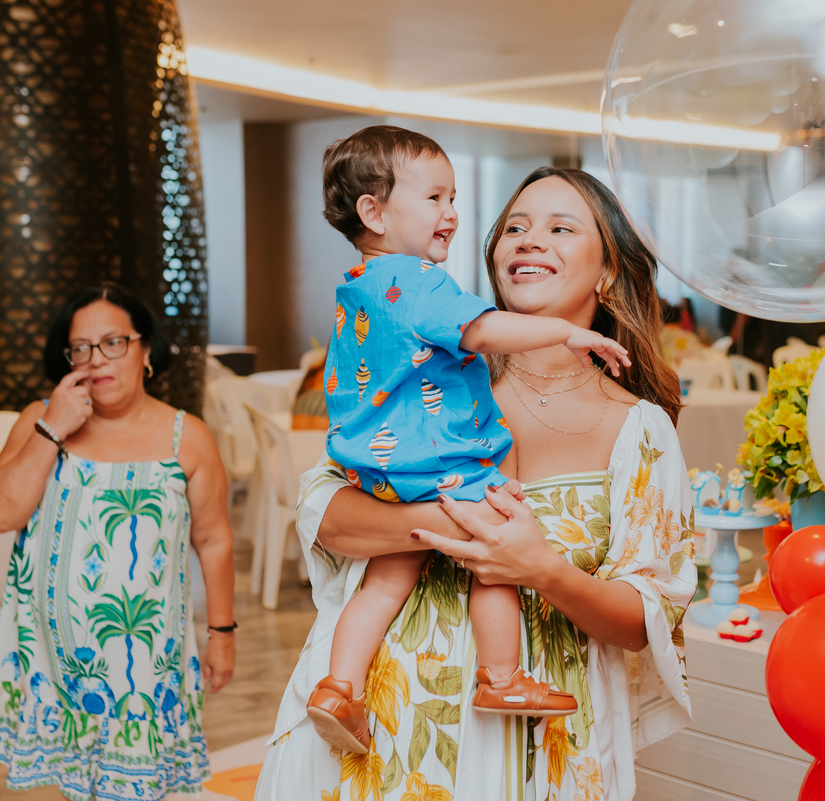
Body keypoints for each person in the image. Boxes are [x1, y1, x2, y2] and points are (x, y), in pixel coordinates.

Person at [255, 166, 696, 801]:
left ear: (607, 271)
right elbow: (325, 513)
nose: (529, 239)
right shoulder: (426, 381)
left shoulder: (640, 428)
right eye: (515, 227)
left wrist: (541, 569)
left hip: (540, 752)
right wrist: (452, 524)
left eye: (561, 228)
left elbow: (644, 619)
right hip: (383, 732)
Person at [305, 126, 631, 755]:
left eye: (453, 198)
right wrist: (565, 332)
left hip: (377, 467)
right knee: (497, 544)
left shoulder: (358, 284)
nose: (452, 213)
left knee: (385, 582)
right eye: (435, 198)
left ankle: (339, 687)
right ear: (374, 212)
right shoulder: (419, 280)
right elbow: (480, 331)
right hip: (437, 462)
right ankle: (502, 677)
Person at [0, 284, 236, 800]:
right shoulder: (39, 419)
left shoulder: (188, 437)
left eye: (113, 343)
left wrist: (222, 632)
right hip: (49, 663)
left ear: (145, 349)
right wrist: (52, 428)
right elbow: (4, 512)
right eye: (80, 348)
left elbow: (214, 539)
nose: (96, 359)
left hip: (142, 668)